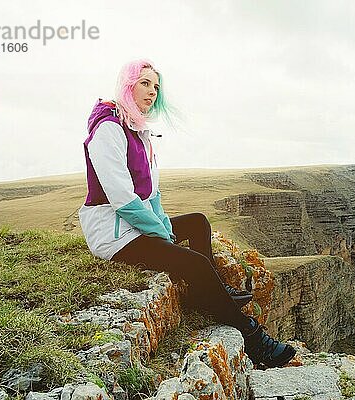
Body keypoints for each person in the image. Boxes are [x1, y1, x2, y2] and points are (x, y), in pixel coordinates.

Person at [78, 59, 296, 368]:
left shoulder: (137, 129)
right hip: (113, 234)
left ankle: (209, 292)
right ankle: (254, 338)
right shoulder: (108, 129)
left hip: (134, 226)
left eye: (156, 86)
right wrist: (159, 231)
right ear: (127, 85)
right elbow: (122, 198)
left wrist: (161, 222)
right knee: (192, 262)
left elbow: (151, 191)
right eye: (144, 83)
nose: (152, 91)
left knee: (197, 223)